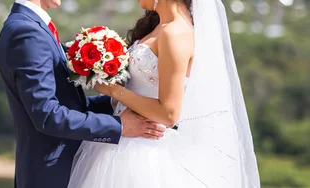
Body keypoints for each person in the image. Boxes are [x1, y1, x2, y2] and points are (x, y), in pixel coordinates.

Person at [67, 0, 261, 187]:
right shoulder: (160, 26)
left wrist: (113, 90)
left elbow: (168, 114)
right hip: (123, 141)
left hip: (142, 154)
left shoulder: (175, 33)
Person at [0, 0, 166, 187]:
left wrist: (111, 104)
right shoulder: (26, 32)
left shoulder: (33, 26)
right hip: (51, 174)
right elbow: (47, 115)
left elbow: (65, 104)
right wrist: (119, 126)